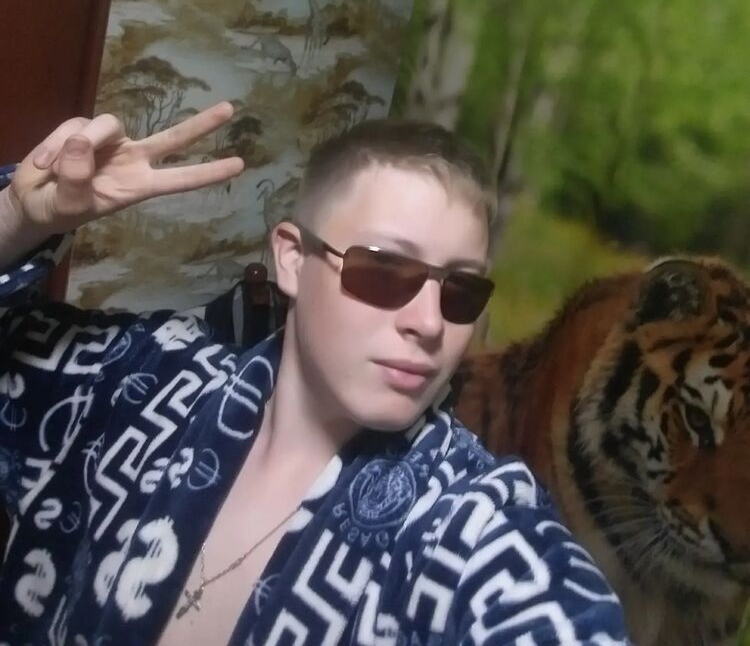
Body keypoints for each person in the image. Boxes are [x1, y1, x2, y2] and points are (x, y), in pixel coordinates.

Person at [0, 103, 630, 645]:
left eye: (461, 290)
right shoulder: (148, 382)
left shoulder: (470, 530)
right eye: (384, 271)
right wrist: (17, 220)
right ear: (293, 259)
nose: (430, 323)